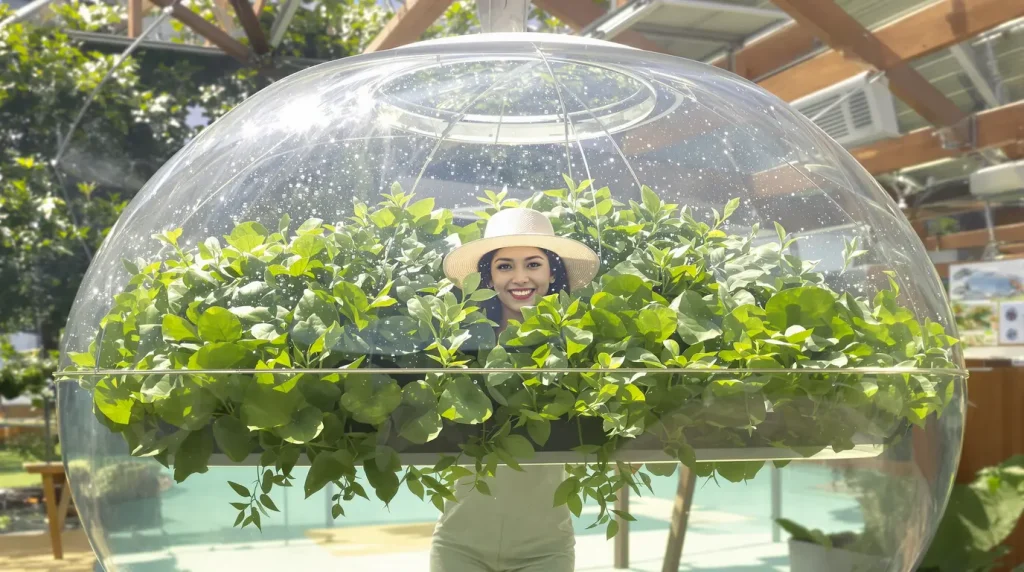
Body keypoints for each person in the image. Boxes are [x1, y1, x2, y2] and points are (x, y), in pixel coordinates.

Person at [430, 207, 600, 572]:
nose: (520, 278)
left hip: (546, 549)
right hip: (460, 545)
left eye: (533, 264)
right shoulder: (459, 343)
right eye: (505, 266)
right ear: (488, 277)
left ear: (551, 271)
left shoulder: (580, 342)